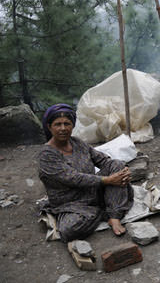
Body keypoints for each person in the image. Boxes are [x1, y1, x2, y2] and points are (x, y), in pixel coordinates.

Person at [38, 104, 134, 243]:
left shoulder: (78, 143)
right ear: (49, 127)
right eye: (57, 124)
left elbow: (103, 160)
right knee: (69, 230)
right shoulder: (46, 155)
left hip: (94, 191)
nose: (63, 128)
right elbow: (73, 178)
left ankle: (114, 216)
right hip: (72, 203)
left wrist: (123, 171)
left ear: (73, 125)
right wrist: (108, 181)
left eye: (67, 123)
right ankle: (103, 210)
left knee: (117, 165)